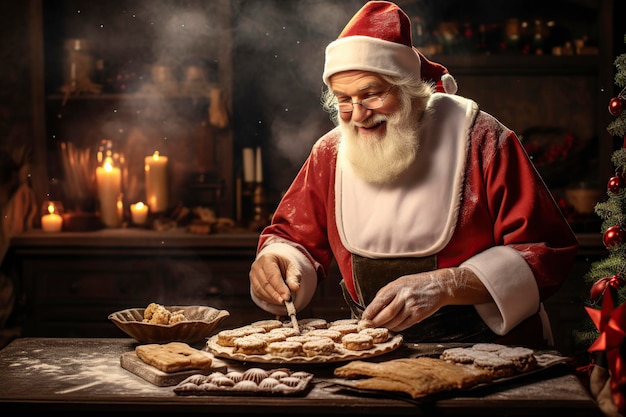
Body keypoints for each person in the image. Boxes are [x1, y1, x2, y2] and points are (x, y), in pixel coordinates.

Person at [248, 1, 578, 348]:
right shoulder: (330, 153)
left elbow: (544, 251)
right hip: (371, 354)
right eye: (344, 99)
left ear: (408, 88)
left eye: (371, 94)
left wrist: (448, 285)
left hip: (491, 353)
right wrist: (278, 263)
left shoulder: (481, 140)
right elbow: (295, 238)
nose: (357, 115)